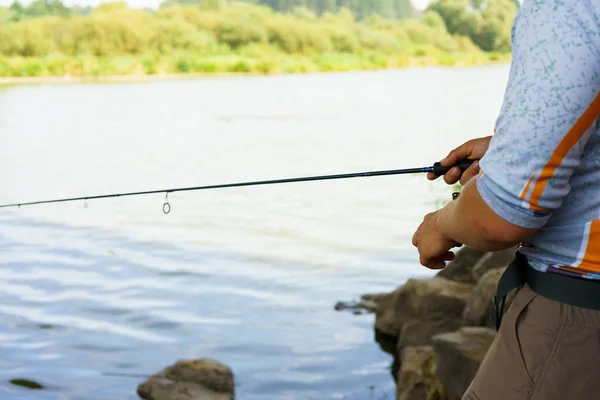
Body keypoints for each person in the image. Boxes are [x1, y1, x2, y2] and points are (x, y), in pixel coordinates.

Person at [411, 1, 600, 399]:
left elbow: (502, 216)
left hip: (576, 318)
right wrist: (510, 150)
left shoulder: (564, 8)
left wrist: (440, 224)